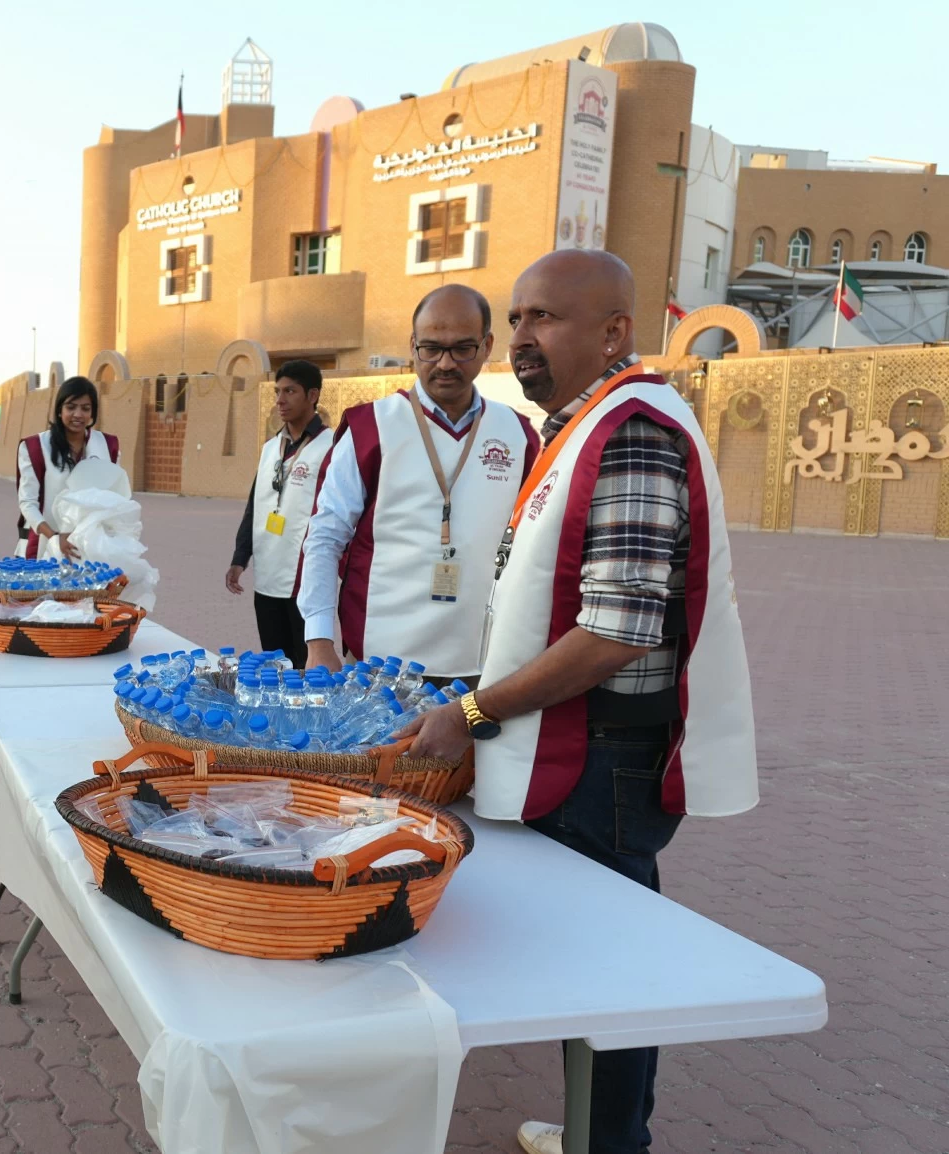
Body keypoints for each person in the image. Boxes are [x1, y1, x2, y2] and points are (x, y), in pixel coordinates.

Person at [403, 251, 758, 1154]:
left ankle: (611, 1140)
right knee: (599, 960)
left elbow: (618, 632)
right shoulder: (580, 425)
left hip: (604, 756)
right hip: (580, 744)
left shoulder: (633, 430)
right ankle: (597, 1128)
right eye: (517, 318)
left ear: (614, 333)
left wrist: (475, 713)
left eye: (546, 319)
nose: (522, 337)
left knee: (611, 964)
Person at [299, 284, 540, 678]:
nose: (445, 363)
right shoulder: (371, 427)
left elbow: (530, 552)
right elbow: (325, 537)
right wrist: (319, 640)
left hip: (482, 660)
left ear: (487, 345)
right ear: (412, 346)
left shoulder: (517, 434)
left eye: (462, 348)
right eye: (431, 348)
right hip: (380, 661)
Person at [226, 360, 332, 669]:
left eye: (290, 391)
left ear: (312, 395)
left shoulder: (332, 446)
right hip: (267, 572)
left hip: (304, 577)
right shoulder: (271, 447)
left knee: (305, 666)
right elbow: (255, 502)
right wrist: (239, 556)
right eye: (277, 391)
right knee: (276, 664)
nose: (280, 400)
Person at [16, 376, 120, 560]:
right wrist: (55, 537)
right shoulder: (36, 447)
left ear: (93, 412)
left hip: (92, 548)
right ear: (59, 410)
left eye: (85, 408)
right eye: (71, 407)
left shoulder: (107, 445)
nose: (78, 414)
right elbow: (28, 503)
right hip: (45, 546)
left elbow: (115, 497)